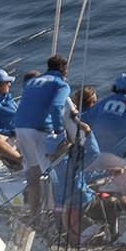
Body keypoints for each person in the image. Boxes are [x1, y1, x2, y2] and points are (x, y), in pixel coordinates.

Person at [12, 55, 74, 211]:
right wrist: (60, 133)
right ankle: (57, 214)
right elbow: (56, 107)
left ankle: (35, 214)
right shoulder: (61, 84)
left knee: (33, 173)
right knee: (54, 172)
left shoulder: (32, 82)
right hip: (38, 129)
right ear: (64, 70)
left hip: (20, 127)